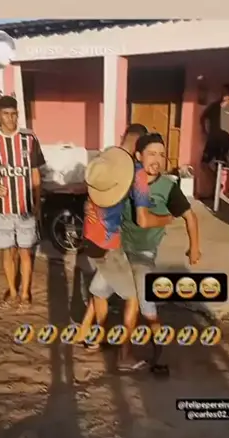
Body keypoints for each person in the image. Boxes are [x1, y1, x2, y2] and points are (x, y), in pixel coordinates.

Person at [77, 143, 174, 371]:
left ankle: (92, 337)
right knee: (133, 297)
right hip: (109, 245)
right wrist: (167, 219)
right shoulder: (134, 174)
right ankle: (125, 357)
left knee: (99, 289)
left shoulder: (103, 174)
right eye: (151, 153)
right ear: (139, 153)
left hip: (91, 241)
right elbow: (143, 219)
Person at [122, 132, 201, 368]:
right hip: (119, 250)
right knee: (102, 291)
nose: (157, 159)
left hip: (144, 253)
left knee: (143, 304)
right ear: (138, 156)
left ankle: (157, 349)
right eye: (151, 154)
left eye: (161, 155)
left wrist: (194, 248)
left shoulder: (168, 187)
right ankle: (111, 347)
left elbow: (190, 217)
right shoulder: (126, 179)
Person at [0, 95, 45, 310]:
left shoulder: (29, 139)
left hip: (25, 207)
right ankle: (13, 292)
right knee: (8, 251)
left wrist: (37, 202)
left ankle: (25, 294)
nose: (10, 118)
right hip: (2, 209)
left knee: (25, 251)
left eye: (14, 114)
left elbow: (35, 173)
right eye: (5, 114)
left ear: (18, 115)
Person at [200, 83, 229, 195]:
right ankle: (217, 183)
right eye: (222, 91)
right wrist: (205, 131)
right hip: (212, 140)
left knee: (220, 165)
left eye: (226, 92)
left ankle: (215, 191)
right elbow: (203, 118)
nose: (224, 94)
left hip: (224, 142)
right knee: (204, 164)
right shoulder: (214, 106)